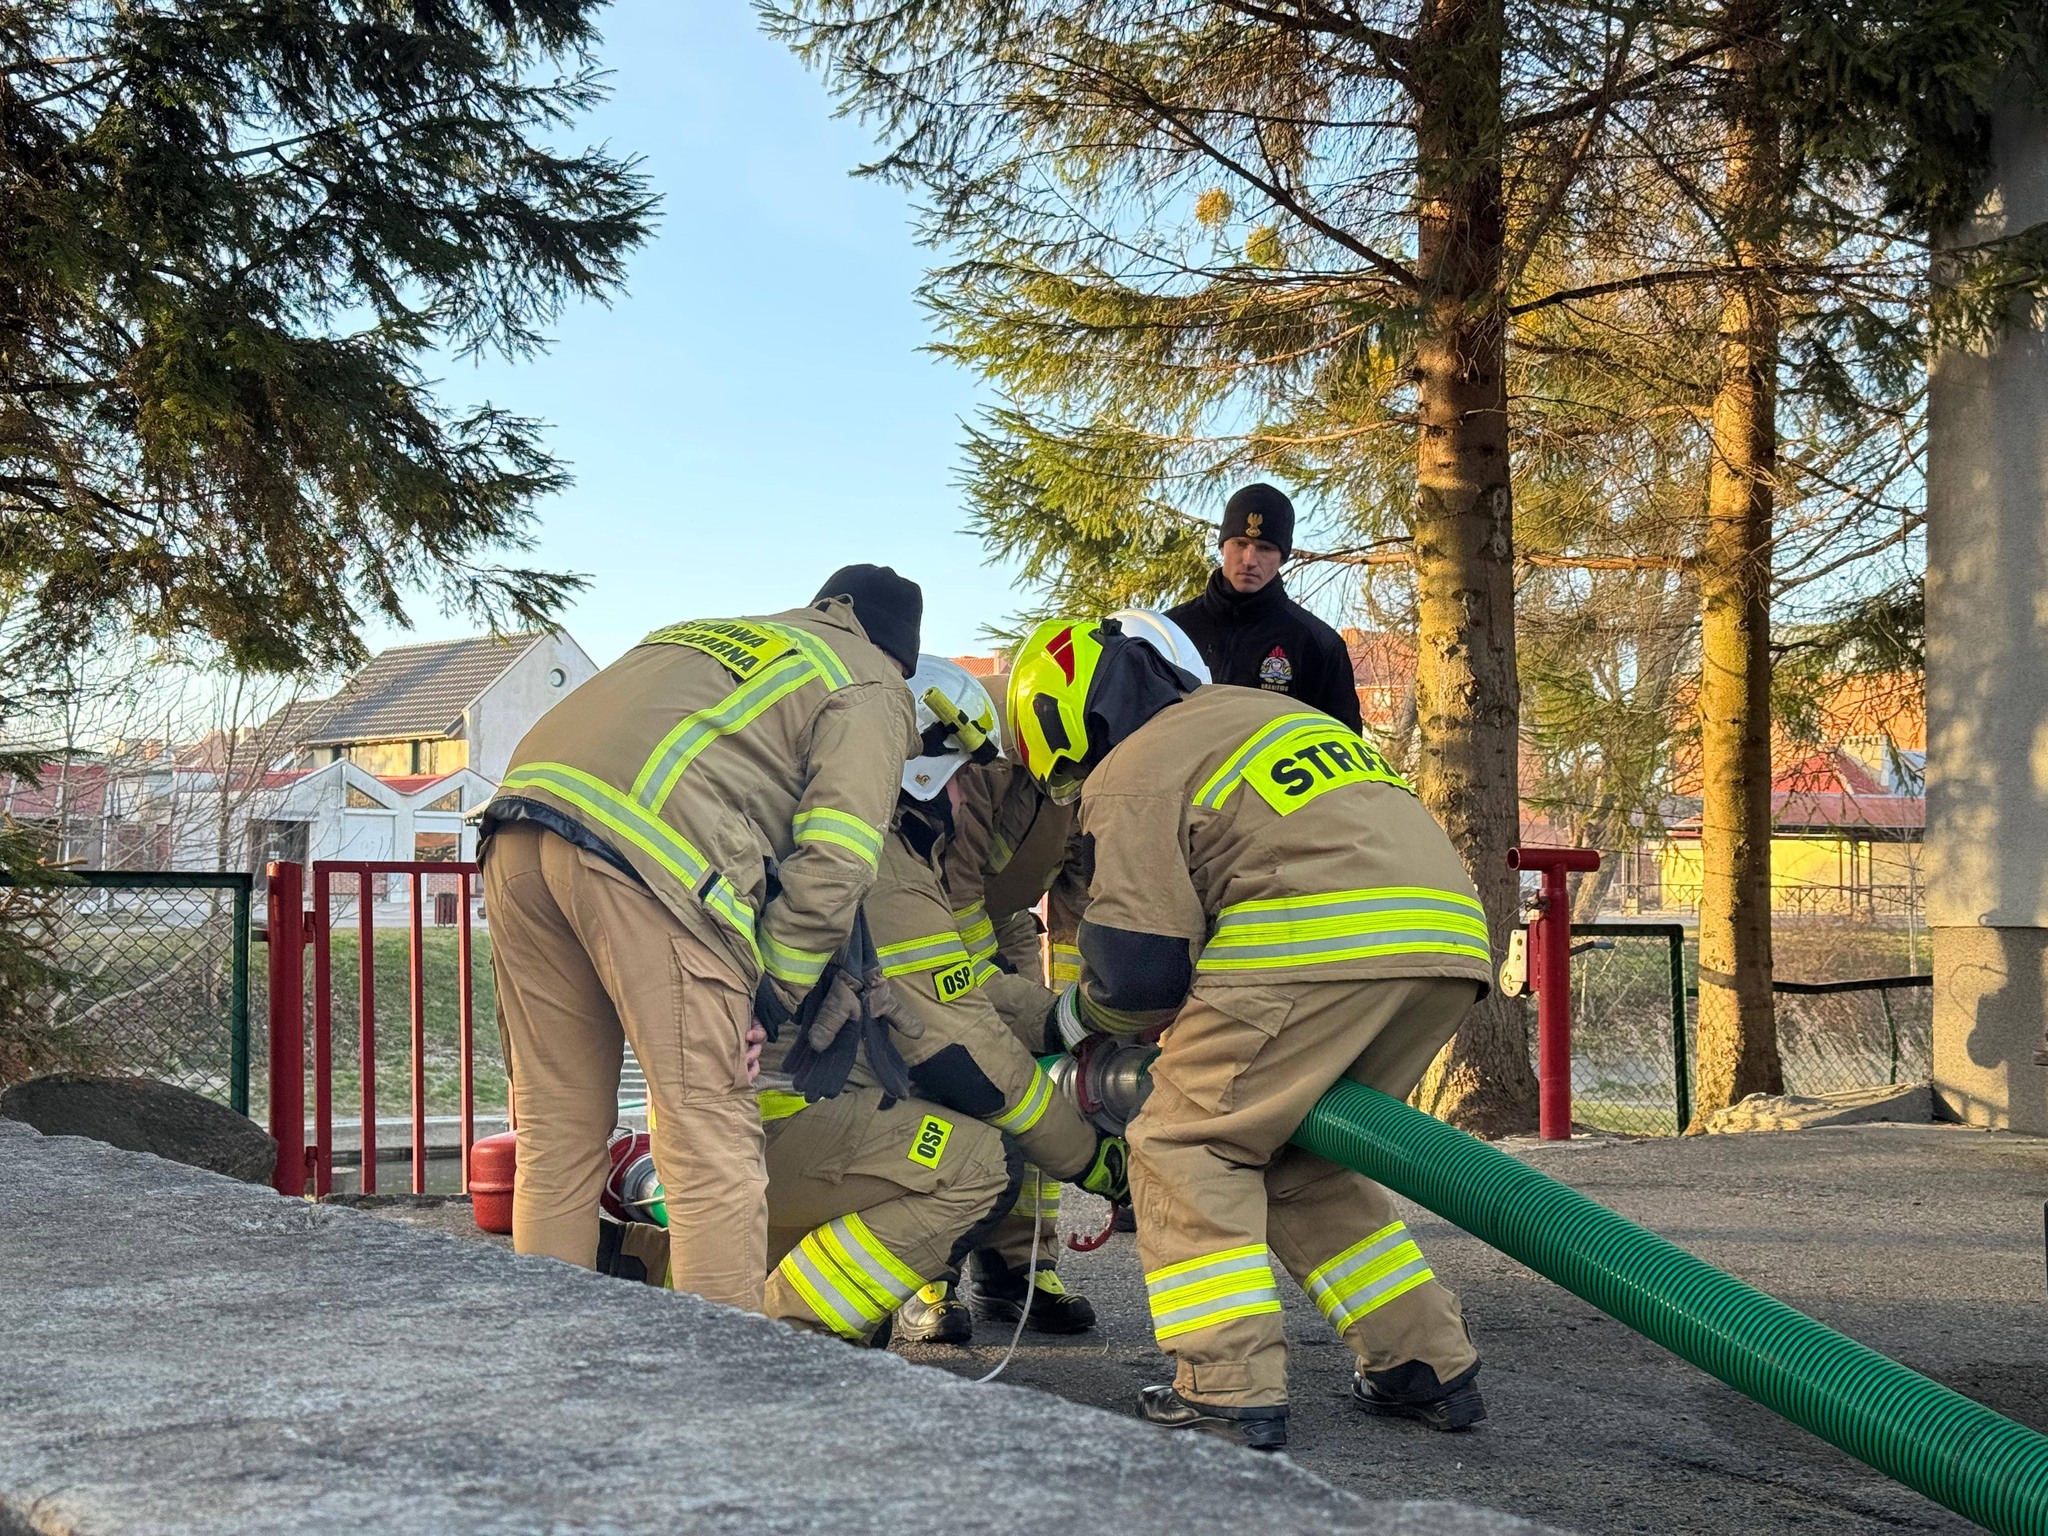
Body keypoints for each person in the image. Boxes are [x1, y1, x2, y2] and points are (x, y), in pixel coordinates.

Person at [1005, 615, 1494, 1450]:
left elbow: (1139, 975)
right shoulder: (1265, 715)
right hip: (1445, 948)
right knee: (1300, 1160)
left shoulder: (1134, 766)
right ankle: (1424, 1364)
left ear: (1063, 724)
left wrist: (1070, 1022)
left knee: (1183, 1144)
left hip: (1315, 949)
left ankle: (1226, 1387)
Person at [478, 567, 922, 1312]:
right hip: (649, 861)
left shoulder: (714, 636)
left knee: (557, 1131)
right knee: (707, 1135)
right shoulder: (871, 680)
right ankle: (719, 1373)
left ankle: (547, 1354)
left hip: (516, 830)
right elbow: (839, 859)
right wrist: (769, 998)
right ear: (900, 653)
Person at [868, 656, 1130, 1342]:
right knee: (960, 1072)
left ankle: (1021, 1270)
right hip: (934, 919)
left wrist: (1079, 1012)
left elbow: (1081, 895)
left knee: (1042, 1073)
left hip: (1006, 925)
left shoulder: (1086, 754)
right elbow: (952, 898)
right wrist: (996, 1003)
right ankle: (930, 1274)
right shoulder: (971, 747)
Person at [1165, 483, 1363, 730]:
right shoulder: (1171, 631)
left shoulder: (1317, 646)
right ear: (1222, 546)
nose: (1249, 560)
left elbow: (1343, 742)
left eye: (1265, 548)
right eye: (1240, 543)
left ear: (1282, 557)